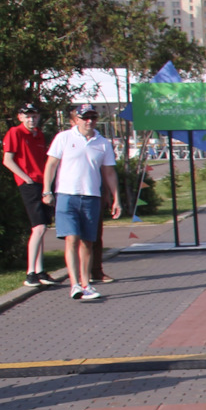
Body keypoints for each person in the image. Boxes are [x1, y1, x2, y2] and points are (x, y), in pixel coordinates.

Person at [43, 105, 122, 301]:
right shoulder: (64, 138)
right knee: (71, 239)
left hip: (91, 197)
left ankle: (87, 284)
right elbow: (51, 164)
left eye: (93, 118)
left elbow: (109, 173)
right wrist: (47, 190)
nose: (89, 121)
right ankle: (75, 284)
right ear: (75, 120)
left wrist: (116, 199)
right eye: (85, 118)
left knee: (88, 242)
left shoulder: (102, 143)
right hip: (67, 195)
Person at [1, 106, 54, 286]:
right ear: (20, 117)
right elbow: (7, 160)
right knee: (38, 227)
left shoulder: (39, 135)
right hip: (29, 184)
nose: (31, 119)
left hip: (42, 183)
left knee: (42, 227)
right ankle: (30, 273)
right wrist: (25, 178)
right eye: (28, 116)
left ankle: (40, 271)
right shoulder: (15, 133)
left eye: (34, 115)